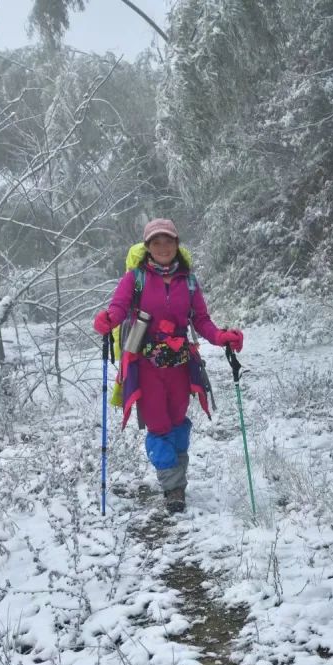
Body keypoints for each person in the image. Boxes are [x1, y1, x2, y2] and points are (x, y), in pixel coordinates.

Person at [93, 218, 243, 513]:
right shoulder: (135, 279)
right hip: (146, 366)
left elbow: (201, 320)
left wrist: (221, 337)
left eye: (168, 241)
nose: (163, 247)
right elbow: (119, 308)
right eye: (156, 242)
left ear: (177, 244)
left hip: (179, 365)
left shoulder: (188, 281)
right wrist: (108, 319)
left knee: (177, 421)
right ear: (147, 247)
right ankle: (173, 488)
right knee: (158, 424)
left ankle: (177, 480)